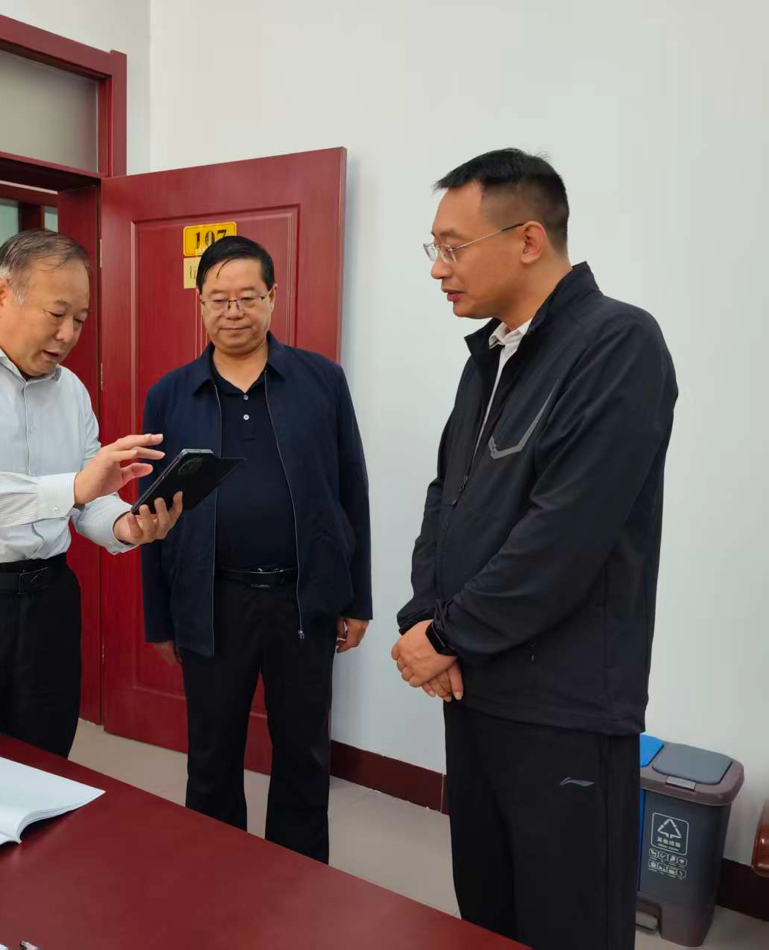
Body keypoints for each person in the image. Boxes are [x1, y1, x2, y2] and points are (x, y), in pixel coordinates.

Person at [393, 149, 677, 950]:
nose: (437, 268)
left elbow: (563, 538)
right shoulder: (489, 357)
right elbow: (446, 501)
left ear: (526, 239)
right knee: (486, 910)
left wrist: (444, 634)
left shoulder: (616, 343)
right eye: (434, 248)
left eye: (453, 247)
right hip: (473, 688)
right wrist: (422, 619)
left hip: (562, 705)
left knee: (566, 922)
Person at [0, 229, 182, 765]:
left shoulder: (71, 390)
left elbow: (87, 502)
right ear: (1, 294)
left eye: (80, 320)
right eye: (56, 314)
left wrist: (124, 525)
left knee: (43, 768)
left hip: (47, 607)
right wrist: (74, 487)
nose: (68, 335)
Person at [141, 235, 371, 863]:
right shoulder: (170, 394)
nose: (233, 311)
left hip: (304, 601)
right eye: (218, 299)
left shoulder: (321, 381)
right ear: (200, 304)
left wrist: (358, 598)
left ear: (273, 297)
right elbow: (149, 517)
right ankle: (217, 878)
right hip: (211, 600)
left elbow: (352, 490)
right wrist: (160, 618)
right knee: (211, 754)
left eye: (247, 297)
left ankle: (299, 881)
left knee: (304, 755)